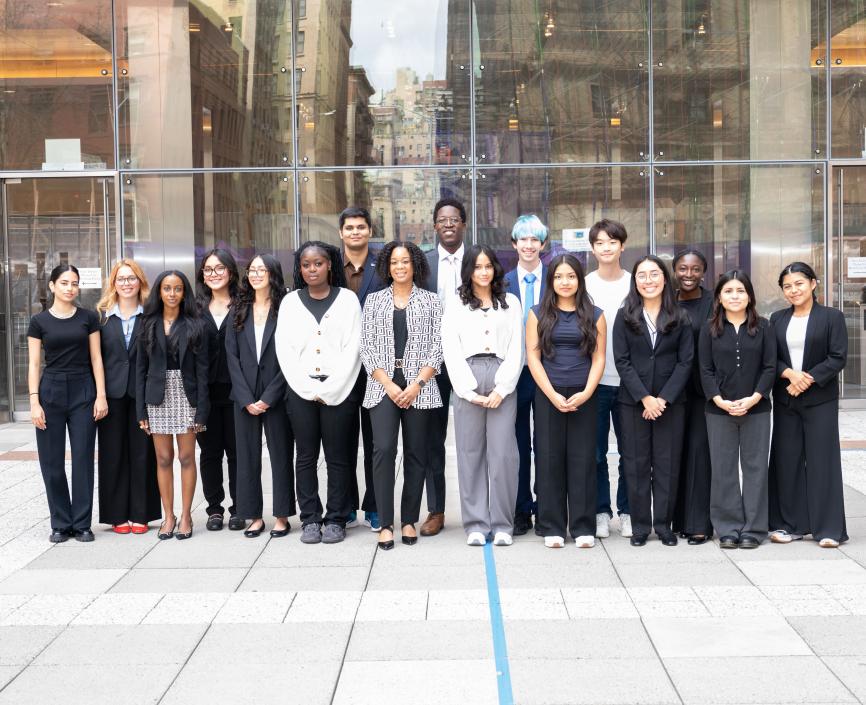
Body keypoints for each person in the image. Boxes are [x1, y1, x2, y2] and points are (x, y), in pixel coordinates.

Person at [276, 241, 361, 545]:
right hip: (300, 392)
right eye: (306, 265)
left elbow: (354, 349)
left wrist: (331, 388)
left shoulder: (348, 301)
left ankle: (336, 518)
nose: (312, 269)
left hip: (340, 391)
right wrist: (308, 388)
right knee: (306, 457)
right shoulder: (290, 303)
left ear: (329, 265)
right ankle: (310, 518)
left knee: (338, 457)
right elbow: (285, 351)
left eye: (318, 263)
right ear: (300, 269)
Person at [361, 241, 442, 550]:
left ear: (415, 264)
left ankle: (408, 519)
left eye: (405, 261)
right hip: (383, 384)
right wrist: (388, 383)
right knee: (383, 450)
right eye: (394, 262)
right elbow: (366, 346)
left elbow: (438, 346)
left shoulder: (431, 301)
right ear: (387, 266)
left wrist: (417, 384)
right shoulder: (374, 301)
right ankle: (385, 523)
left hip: (420, 386)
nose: (400, 266)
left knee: (416, 453)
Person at [443, 244, 523, 546]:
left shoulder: (510, 302)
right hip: (468, 373)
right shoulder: (456, 304)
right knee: (470, 453)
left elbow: (516, 348)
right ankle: (476, 524)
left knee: (503, 455)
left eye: (488, 266)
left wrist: (502, 388)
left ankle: (502, 524)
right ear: (468, 270)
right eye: (477, 267)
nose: (484, 272)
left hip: (503, 375)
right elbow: (450, 347)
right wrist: (467, 390)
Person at [526, 254, 605, 548]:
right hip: (549, 394)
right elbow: (533, 357)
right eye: (559, 276)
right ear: (551, 281)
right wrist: (552, 394)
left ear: (579, 280)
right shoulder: (537, 314)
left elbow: (599, 358)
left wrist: (587, 392)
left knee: (583, 460)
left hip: (585, 395)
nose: (565, 282)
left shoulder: (595, 315)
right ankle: (552, 526)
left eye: (571, 276)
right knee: (549, 459)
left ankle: (583, 527)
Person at [613, 255, 693, 547]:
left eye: (654, 274)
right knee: (635, 464)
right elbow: (622, 361)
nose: (649, 280)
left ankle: (663, 525)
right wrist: (645, 398)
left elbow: (686, 361)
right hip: (634, 403)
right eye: (642, 275)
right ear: (635, 281)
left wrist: (662, 399)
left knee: (666, 465)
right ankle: (640, 527)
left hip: (671, 404)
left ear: (664, 278)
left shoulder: (680, 316)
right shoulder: (624, 316)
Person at [769, 262, 848, 548]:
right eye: (787, 286)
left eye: (799, 283)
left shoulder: (832, 317)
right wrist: (790, 375)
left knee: (822, 462)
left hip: (820, 400)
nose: (794, 290)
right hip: (786, 398)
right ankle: (790, 526)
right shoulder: (777, 319)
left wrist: (807, 379)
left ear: (813, 284)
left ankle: (828, 529)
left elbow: (837, 357)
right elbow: (770, 357)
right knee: (786, 461)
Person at [28, 264, 108, 543]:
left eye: (74, 283)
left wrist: (100, 395)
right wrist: (34, 402)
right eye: (64, 283)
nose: (70, 288)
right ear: (52, 286)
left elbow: (96, 358)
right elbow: (34, 364)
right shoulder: (39, 321)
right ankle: (60, 523)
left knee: (83, 458)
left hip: (83, 390)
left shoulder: (88, 318)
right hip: (50, 391)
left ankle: (82, 523)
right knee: (51, 461)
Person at [699, 270, 776, 549]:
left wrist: (755, 398)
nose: (735, 296)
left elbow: (770, 366)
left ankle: (754, 529)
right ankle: (728, 528)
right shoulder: (709, 329)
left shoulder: (764, 327)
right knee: (723, 470)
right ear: (719, 297)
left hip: (757, 409)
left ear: (750, 296)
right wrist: (718, 399)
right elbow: (705, 369)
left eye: (740, 291)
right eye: (728, 291)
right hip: (719, 410)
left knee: (756, 469)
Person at [225, 254, 295, 538]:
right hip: (244, 395)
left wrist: (269, 397)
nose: (255, 274)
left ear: (273, 274)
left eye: (261, 270)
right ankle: (253, 515)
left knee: (281, 455)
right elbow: (231, 355)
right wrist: (245, 398)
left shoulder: (286, 308)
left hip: (276, 393)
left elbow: (291, 355)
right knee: (246, 457)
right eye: (252, 270)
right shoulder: (238, 308)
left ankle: (282, 516)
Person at [136, 270, 209, 541]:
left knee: (187, 457)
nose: (172, 293)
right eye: (167, 288)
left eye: (177, 288)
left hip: (187, 395)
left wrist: (202, 410)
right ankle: (169, 516)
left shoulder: (195, 324)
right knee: (164, 458)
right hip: (157, 395)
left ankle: (186, 515)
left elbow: (203, 372)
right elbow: (139, 370)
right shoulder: (147, 323)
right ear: (159, 291)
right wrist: (141, 410)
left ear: (184, 292)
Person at [95, 259, 159, 535]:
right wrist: (99, 395)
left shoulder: (151, 315)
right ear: (113, 283)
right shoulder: (101, 317)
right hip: (111, 394)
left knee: (143, 454)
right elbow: (95, 358)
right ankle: (117, 515)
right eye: (121, 279)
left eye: (132, 278)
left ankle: (141, 514)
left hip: (142, 394)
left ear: (140, 282)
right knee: (113, 455)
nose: (126, 283)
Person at [421, 196, 467, 537]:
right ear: (435, 226)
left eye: (454, 219)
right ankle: (436, 510)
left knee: (476, 437)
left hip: (469, 358)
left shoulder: (477, 260)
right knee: (431, 439)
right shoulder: (422, 263)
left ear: (463, 224)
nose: (448, 224)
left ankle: (482, 507)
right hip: (431, 362)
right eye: (442, 220)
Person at [339, 206, 386, 532]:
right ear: (341, 233)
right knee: (341, 442)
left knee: (375, 442)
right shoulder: (330, 266)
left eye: (360, 227)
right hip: (340, 367)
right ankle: (344, 507)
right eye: (350, 228)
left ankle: (375, 506)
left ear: (370, 231)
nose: (355, 232)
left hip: (376, 366)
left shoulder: (383, 265)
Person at [585, 219, 633, 540]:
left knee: (631, 453)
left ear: (622, 246)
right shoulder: (584, 285)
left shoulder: (635, 282)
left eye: (612, 242)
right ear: (592, 249)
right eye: (600, 243)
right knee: (596, 452)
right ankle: (601, 511)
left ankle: (628, 511)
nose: (606, 248)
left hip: (630, 381)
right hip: (596, 381)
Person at [504, 215, 547, 536]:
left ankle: (545, 507)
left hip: (548, 373)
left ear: (543, 244)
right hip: (514, 374)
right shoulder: (502, 282)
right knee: (517, 444)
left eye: (534, 239)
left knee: (546, 443)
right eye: (523, 239)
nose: (529, 245)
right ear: (514, 243)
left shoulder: (558, 279)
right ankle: (520, 509)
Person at [195, 249, 241, 531]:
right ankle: (214, 509)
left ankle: (239, 508)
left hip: (237, 391)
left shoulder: (244, 304)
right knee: (209, 453)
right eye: (208, 269)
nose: (214, 274)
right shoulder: (195, 308)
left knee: (237, 453)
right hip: (205, 393)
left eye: (219, 268)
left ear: (231, 272)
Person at [671, 249, 714, 544]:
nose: (689, 274)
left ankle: (699, 523)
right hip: (670, 390)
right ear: (675, 270)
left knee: (699, 453)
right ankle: (677, 519)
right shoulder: (667, 300)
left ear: (703, 272)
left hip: (701, 391)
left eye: (695, 269)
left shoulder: (714, 303)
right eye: (683, 269)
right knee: (675, 454)